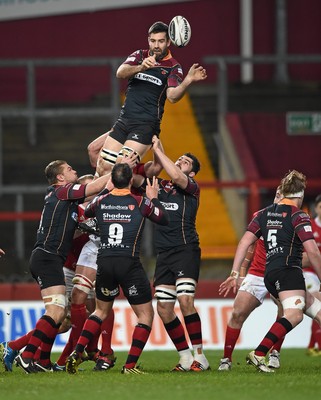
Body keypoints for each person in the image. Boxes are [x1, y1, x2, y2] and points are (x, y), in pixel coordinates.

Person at [9, 160, 112, 373]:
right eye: (69, 169)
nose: (73, 170)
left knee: (59, 316)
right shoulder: (63, 191)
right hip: (48, 258)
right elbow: (93, 188)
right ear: (61, 178)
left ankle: (40, 360)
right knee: (56, 313)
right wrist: (119, 169)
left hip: (47, 258)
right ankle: (26, 355)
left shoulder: (66, 203)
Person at [66, 163, 169, 375]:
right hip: (128, 263)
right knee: (145, 315)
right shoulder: (140, 201)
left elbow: (87, 210)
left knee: (100, 311)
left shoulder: (101, 201)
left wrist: (106, 190)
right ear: (131, 180)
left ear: (112, 180)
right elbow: (163, 218)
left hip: (104, 262)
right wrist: (154, 197)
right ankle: (129, 366)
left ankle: (77, 352)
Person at [219, 170, 321, 373]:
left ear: (283, 192)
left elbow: (244, 242)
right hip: (279, 271)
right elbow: (312, 252)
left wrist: (234, 272)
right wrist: (238, 273)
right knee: (291, 314)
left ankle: (273, 354)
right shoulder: (298, 216)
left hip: (273, 272)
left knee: (302, 310)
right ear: (299, 195)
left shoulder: (264, 215)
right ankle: (253, 354)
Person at [90, 21, 207, 178]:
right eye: (153, 41)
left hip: (145, 126)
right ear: (148, 40)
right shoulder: (140, 55)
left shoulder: (173, 67)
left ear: (168, 42)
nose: (156, 45)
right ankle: (98, 202)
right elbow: (120, 73)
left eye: (160, 41)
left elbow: (172, 97)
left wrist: (188, 80)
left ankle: (118, 201)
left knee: (121, 169)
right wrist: (141, 67)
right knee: (103, 167)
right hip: (124, 121)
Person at [147, 136, 210, 372]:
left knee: (185, 301)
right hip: (164, 254)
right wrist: (156, 145)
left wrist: (159, 150)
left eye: (185, 162)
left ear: (191, 173)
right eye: (179, 159)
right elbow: (144, 176)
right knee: (163, 308)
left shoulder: (192, 188)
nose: (180, 162)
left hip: (186, 249)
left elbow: (175, 175)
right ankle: (185, 357)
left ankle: (200, 356)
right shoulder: (159, 187)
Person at [218, 188, 285, 371]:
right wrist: (240, 272)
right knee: (237, 313)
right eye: (277, 193)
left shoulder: (296, 218)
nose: (278, 196)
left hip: (281, 272)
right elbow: (250, 245)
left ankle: (274, 353)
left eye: (282, 194)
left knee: (284, 312)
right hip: (257, 273)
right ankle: (226, 359)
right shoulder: (261, 215)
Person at [303, 194, 321, 356]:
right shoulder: (309, 227)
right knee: (317, 303)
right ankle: (317, 346)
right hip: (309, 273)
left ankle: (311, 345)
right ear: (316, 208)